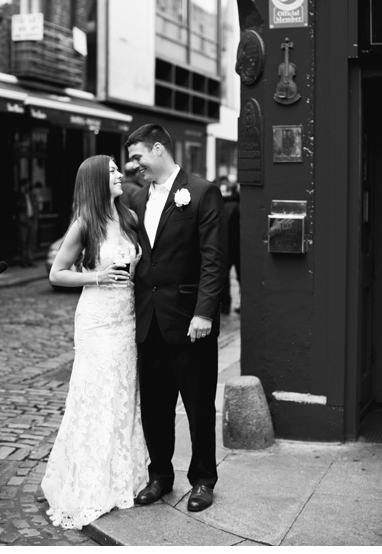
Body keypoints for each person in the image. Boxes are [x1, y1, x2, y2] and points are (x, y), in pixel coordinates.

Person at [42, 155, 148, 529]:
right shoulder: (85, 224)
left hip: (127, 320)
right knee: (97, 397)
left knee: (123, 395)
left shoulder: (129, 218)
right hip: (97, 322)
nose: (121, 174)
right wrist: (96, 277)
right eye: (113, 171)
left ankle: (123, 476)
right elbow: (56, 274)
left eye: (120, 169)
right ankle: (90, 484)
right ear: (96, 182)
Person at [125, 124, 227, 512]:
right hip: (148, 321)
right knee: (154, 404)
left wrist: (204, 312)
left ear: (158, 149)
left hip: (190, 322)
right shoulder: (136, 200)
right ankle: (160, 476)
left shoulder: (201, 192)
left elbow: (214, 260)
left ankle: (202, 479)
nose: (134, 166)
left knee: (199, 405)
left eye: (138, 157)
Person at [216, 177, 241, 314]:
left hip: (225, 247)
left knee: (224, 278)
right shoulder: (239, 205)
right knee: (239, 276)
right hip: (238, 246)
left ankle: (225, 306)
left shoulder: (223, 207)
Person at [16, 180, 39, 266]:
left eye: (27, 185)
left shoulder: (32, 195)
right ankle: (24, 261)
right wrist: (22, 196)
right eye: (25, 185)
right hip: (23, 222)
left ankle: (31, 260)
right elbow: (18, 206)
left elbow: (36, 206)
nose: (26, 187)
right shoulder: (20, 196)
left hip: (32, 220)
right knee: (23, 242)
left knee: (32, 241)